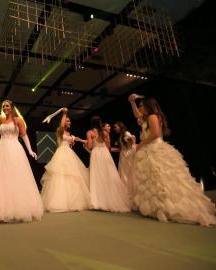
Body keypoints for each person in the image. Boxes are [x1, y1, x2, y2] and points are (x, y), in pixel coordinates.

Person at [129, 94, 216, 226]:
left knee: (162, 179)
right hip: (151, 148)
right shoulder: (148, 117)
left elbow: (155, 134)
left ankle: (170, 207)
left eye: (142, 106)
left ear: (148, 106)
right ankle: (160, 207)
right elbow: (137, 115)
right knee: (156, 180)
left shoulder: (152, 116)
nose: (140, 109)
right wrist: (132, 102)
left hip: (155, 147)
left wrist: (140, 144)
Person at [0, 86, 43, 222]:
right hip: (2, 149)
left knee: (15, 176)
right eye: (4, 106)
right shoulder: (2, 120)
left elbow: (24, 136)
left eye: (7, 106)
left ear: (11, 108)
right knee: (1, 178)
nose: (5, 108)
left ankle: (18, 208)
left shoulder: (17, 120)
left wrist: (30, 150)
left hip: (14, 149)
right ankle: (2, 208)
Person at [40, 108, 91, 212]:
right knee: (60, 175)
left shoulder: (69, 134)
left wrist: (73, 141)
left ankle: (73, 201)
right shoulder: (60, 130)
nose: (69, 122)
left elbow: (76, 141)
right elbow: (62, 125)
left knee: (72, 177)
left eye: (69, 120)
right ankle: (59, 202)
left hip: (69, 153)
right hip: (62, 153)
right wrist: (64, 113)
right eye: (67, 120)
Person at [86, 116, 131, 212]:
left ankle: (98, 201)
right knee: (108, 175)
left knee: (97, 177)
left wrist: (88, 143)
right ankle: (111, 198)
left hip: (96, 154)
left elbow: (89, 146)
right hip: (105, 153)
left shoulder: (90, 133)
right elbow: (108, 146)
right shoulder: (105, 133)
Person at [113, 122, 136, 195]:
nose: (115, 129)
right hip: (123, 155)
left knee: (128, 172)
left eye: (116, 127)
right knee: (123, 173)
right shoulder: (120, 136)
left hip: (128, 155)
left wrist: (129, 151)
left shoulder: (126, 133)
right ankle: (125, 192)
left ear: (120, 126)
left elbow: (132, 144)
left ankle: (129, 192)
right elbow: (122, 148)